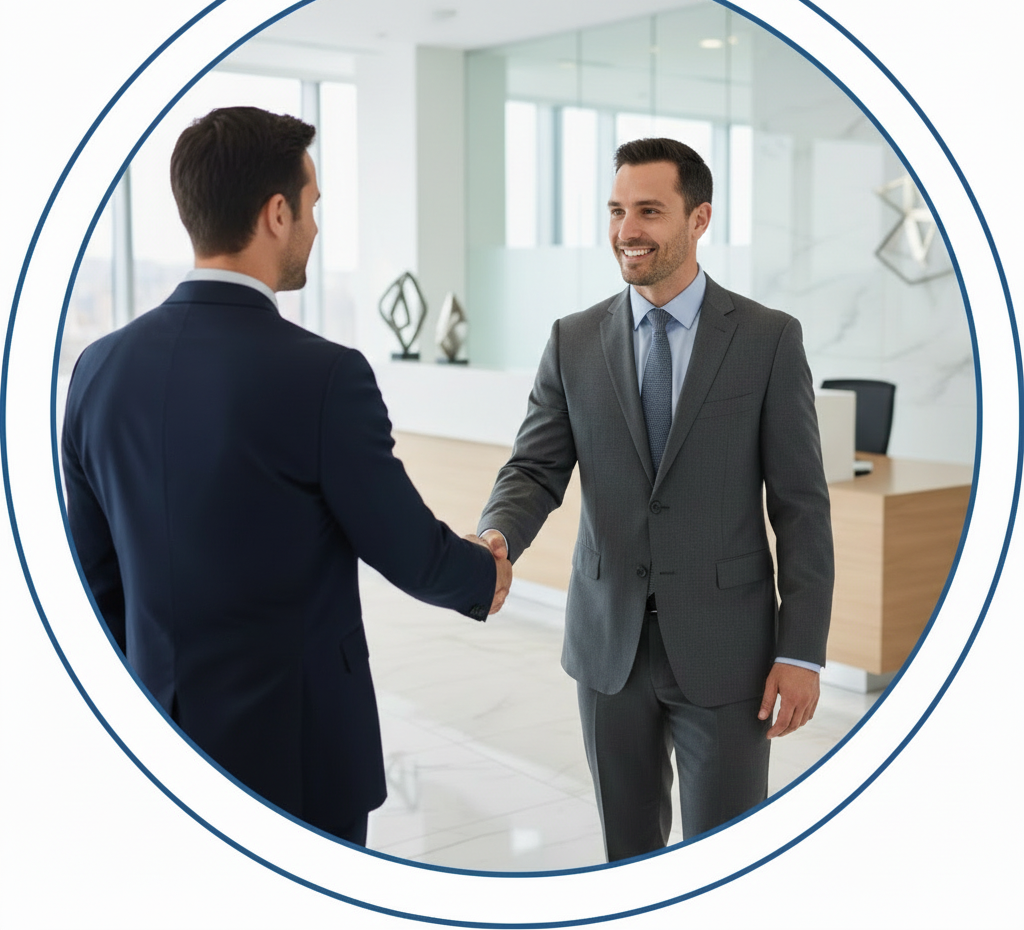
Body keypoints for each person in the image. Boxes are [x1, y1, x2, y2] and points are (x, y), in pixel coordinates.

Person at [61, 106, 511, 847]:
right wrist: (483, 573)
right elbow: (406, 549)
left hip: (154, 744)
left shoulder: (98, 370)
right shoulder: (324, 376)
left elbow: (93, 578)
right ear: (277, 213)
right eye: (312, 206)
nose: (314, 227)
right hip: (297, 759)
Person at [478, 138, 833, 861]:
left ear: (699, 218)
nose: (626, 230)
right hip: (608, 646)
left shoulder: (767, 339)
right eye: (616, 211)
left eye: (648, 211)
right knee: (627, 854)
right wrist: (497, 535)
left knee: (721, 857)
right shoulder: (574, 339)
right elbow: (535, 468)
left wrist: (802, 650)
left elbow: (801, 507)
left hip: (726, 651)